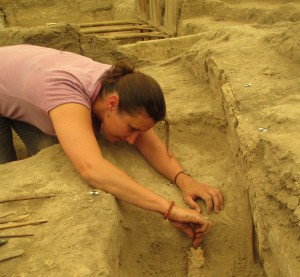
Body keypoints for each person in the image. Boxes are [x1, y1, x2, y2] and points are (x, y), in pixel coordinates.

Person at [0, 44, 223, 248]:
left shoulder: (120, 85)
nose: (134, 139)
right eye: (131, 128)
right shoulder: (65, 92)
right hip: (14, 77)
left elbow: (149, 142)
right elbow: (92, 168)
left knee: (53, 145)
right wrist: (169, 209)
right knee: (6, 174)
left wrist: (185, 180)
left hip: (20, 76)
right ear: (112, 104)